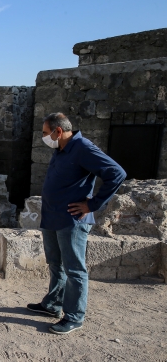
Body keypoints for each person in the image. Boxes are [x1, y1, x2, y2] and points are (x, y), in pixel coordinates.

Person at [27, 112, 126, 335]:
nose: (44, 137)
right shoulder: (61, 148)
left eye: (45, 133)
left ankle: (73, 316)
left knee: (74, 269)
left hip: (71, 220)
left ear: (58, 131)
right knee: (55, 263)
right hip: (52, 216)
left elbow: (117, 173)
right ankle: (52, 304)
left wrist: (93, 204)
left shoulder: (83, 148)